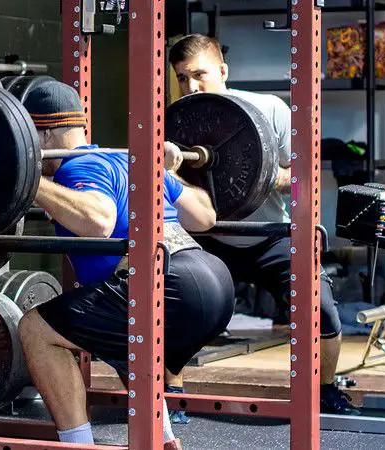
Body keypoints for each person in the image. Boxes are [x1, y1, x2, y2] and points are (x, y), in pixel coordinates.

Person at [15, 80, 236, 449]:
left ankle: (78, 444)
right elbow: (205, 216)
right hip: (216, 282)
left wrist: (28, 180)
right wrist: (170, 172)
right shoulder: (128, 159)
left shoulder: (77, 168)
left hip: (172, 282)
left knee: (36, 329)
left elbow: (98, 221)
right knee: (123, 335)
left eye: (30, 139)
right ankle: (164, 439)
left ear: (47, 133)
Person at [167, 33, 357, 416]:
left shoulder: (268, 108)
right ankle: (171, 395)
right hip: (207, 237)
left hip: (268, 235)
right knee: (176, 302)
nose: (191, 86)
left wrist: (257, 175)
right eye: (182, 77)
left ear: (223, 70)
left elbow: (305, 175)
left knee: (320, 306)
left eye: (199, 74)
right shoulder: (177, 122)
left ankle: (325, 390)